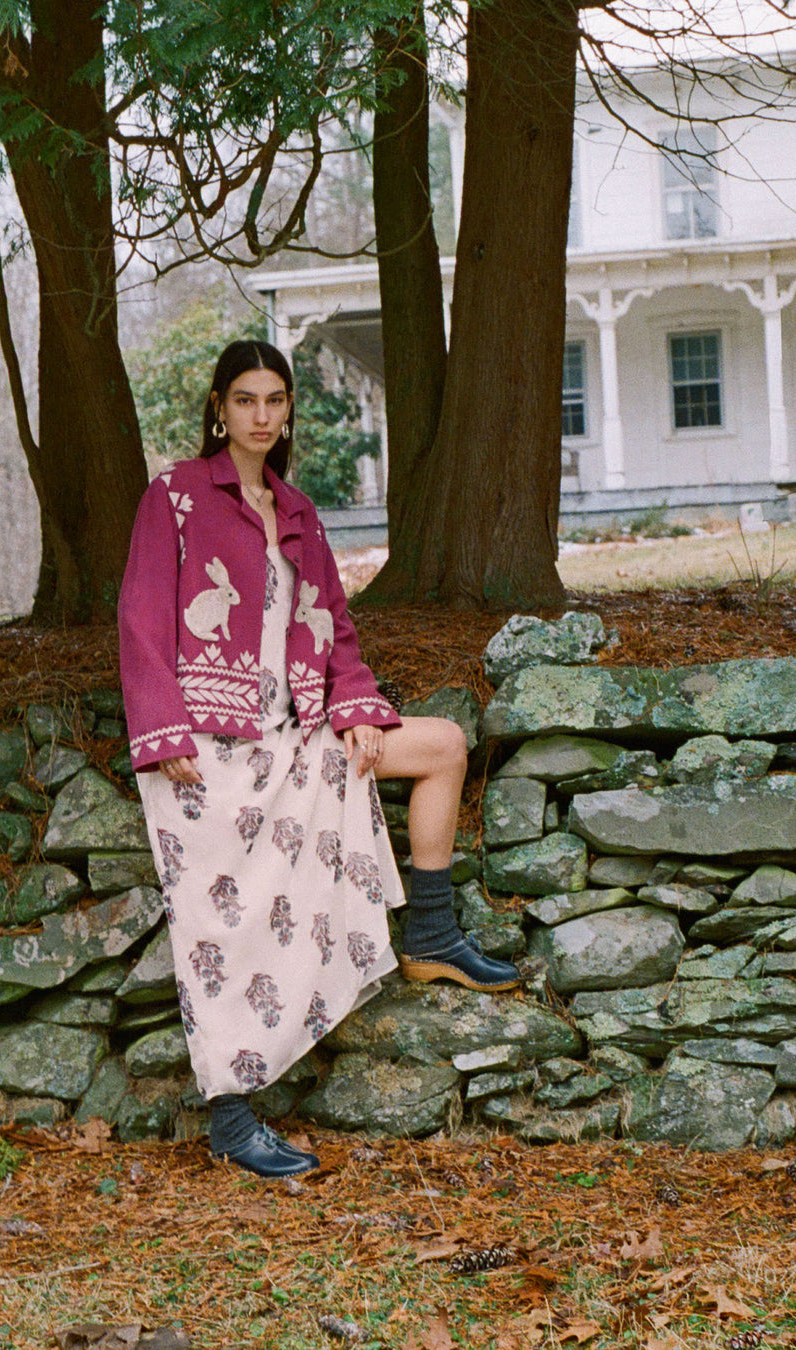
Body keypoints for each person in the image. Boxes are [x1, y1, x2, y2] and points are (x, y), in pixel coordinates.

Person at [118, 339, 521, 1178]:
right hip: (209, 750)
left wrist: (356, 709)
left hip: (297, 735)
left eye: (276, 401)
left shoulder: (298, 511)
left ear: (290, 410)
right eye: (245, 401)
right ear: (218, 409)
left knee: (442, 744)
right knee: (219, 925)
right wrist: (164, 733)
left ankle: (435, 933)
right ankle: (232, 1118)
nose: (262, 416)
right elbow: (141, 615)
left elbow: (334, 625)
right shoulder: (178, 498)